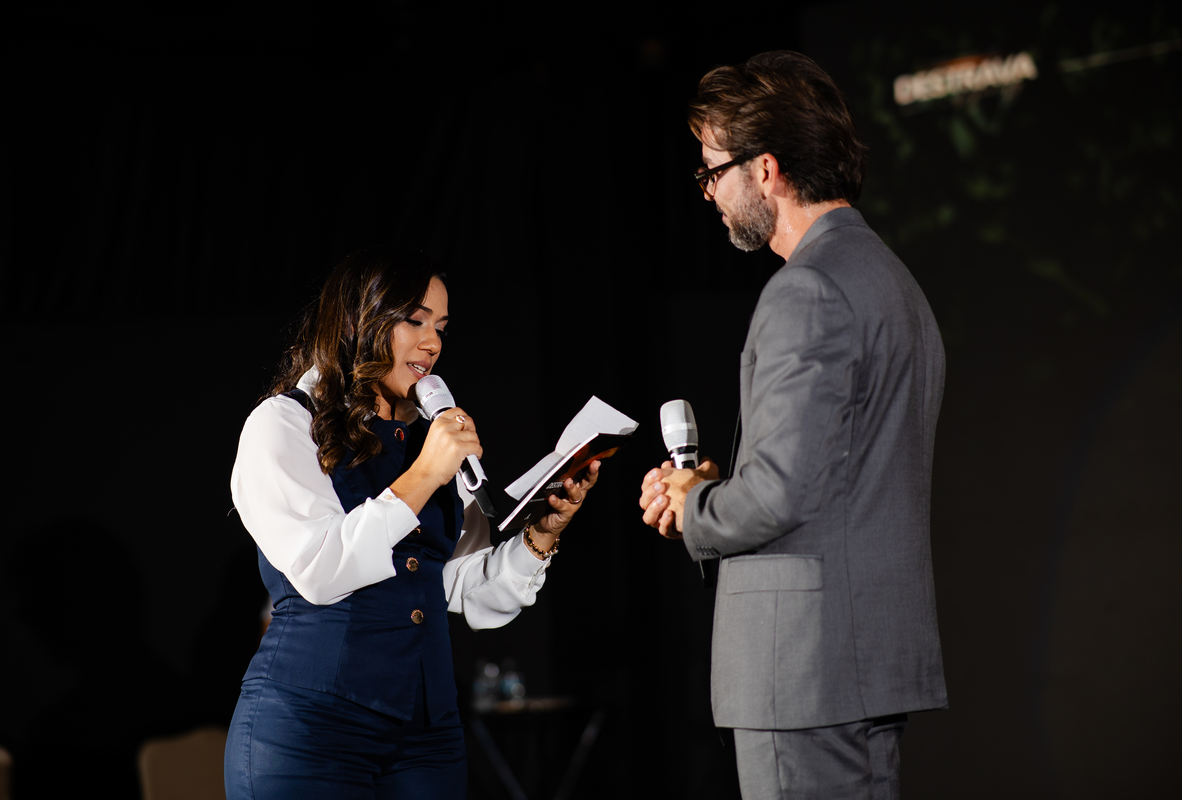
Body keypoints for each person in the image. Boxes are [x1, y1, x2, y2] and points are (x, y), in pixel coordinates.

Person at [638, 51, 947, 799]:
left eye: (713, 171)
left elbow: (779, 495)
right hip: (856, 667)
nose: (709, 194)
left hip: (805, 675)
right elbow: (829, 477)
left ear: (766, 170)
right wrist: (719, 488)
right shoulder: (892, 281)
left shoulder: (806, 288)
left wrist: (693, 504)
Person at [225, 246, 599, 799]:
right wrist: (425, 473)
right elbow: (321, 569)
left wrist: (542, 533)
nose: (433, 343)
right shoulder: (284, 423)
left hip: (426, 735)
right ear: (358, 320)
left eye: (441, 327)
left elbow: (461, 587)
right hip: (311, 728)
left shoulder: (429, 440)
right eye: (415, 321)